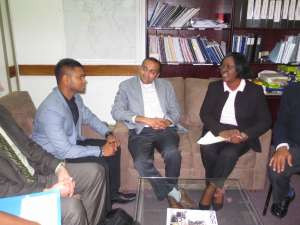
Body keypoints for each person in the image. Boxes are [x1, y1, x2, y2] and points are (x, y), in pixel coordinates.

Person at [32, 58, 135, 205]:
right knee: (101, 163)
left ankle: (112, 194)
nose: (84, 80)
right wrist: (100, 151)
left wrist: (108, 134)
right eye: (80, 77)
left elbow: (90, 118)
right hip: (55, 155)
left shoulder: (75, 98)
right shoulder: (51, 109)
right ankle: (105, 211)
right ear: (66, 79)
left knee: (114, 148)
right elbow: (64, 151)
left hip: (73, 143)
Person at [0, 105, 107, 225]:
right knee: (72, 208)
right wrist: (46, 192)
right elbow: (3, 190)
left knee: (94, 172)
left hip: (36, 175)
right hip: (13, 198)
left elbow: (30, 147)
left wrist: (59, 168)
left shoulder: (1, 111)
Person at [111, 57, 195, 209]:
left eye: (152, 72)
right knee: (140, 162)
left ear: (157, 75)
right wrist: (145, 120)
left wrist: (167, 122)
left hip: (165, 129)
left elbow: (175, 111)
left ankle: (170, 191)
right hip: (141, 130)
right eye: (144, 68)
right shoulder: (126, 86)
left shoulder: (166, 85)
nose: (146, 74)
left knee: (172, 153)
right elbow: (116, 111)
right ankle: (172, 192)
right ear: (140, 67)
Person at [199, 52, 271, 210]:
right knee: (207, 149)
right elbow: (205, 114)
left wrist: (245, 135)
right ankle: (218, 188)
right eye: (222, 66)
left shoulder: (255, 91)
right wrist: (221, 132)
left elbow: (265, 121)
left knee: (228, 154)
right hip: (217, 131)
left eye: (229, 67)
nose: (223, 70)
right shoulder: (215, 87)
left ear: (239, 69)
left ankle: (209, 190)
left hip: (241, 132)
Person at [268, 82, 300, 218]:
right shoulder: (292, 90)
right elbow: (281, 122)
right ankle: (286, 194)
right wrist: (281, 146)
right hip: (296, 145)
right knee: (277, 167)